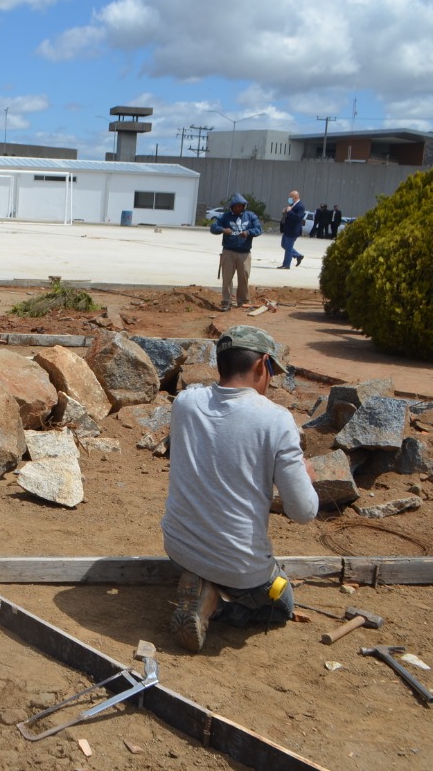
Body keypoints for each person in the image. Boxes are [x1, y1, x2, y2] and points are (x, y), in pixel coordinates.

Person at [161, 325, 318, 652]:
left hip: (179, 549)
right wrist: (304, 475)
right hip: (241, 569)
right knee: (281, 602)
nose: (271, 379)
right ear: (262, 364)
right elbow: (304, 511)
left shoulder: (186, 403)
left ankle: (202, 582)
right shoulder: (276, 419)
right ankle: (215, 602)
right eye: (272, 370)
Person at [210, 194, 262, 313]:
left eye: (241, 206)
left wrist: (248, 232)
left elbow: (258, 229)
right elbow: (213, 227)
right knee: (227, 278)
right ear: (232, 207)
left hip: (244, 253)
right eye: (236, 206)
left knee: (244, 277)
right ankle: (226, 301)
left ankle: (243, 301)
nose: (238, 208)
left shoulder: (250, 216)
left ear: (244, 206)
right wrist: (223, 230)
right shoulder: (225, 217)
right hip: (229, 252)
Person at [277, 190, 305, 269]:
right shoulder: (293, 204)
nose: (289, 198)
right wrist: (285, 212)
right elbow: (288, 216)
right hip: (287, 229)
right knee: (284, 245)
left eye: (290, 197)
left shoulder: (300, 206)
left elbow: (297, 217)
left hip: (293, 230)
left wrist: (289, 212)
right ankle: (298, 255)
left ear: (295, 197)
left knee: (288, 248)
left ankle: (286, 265)